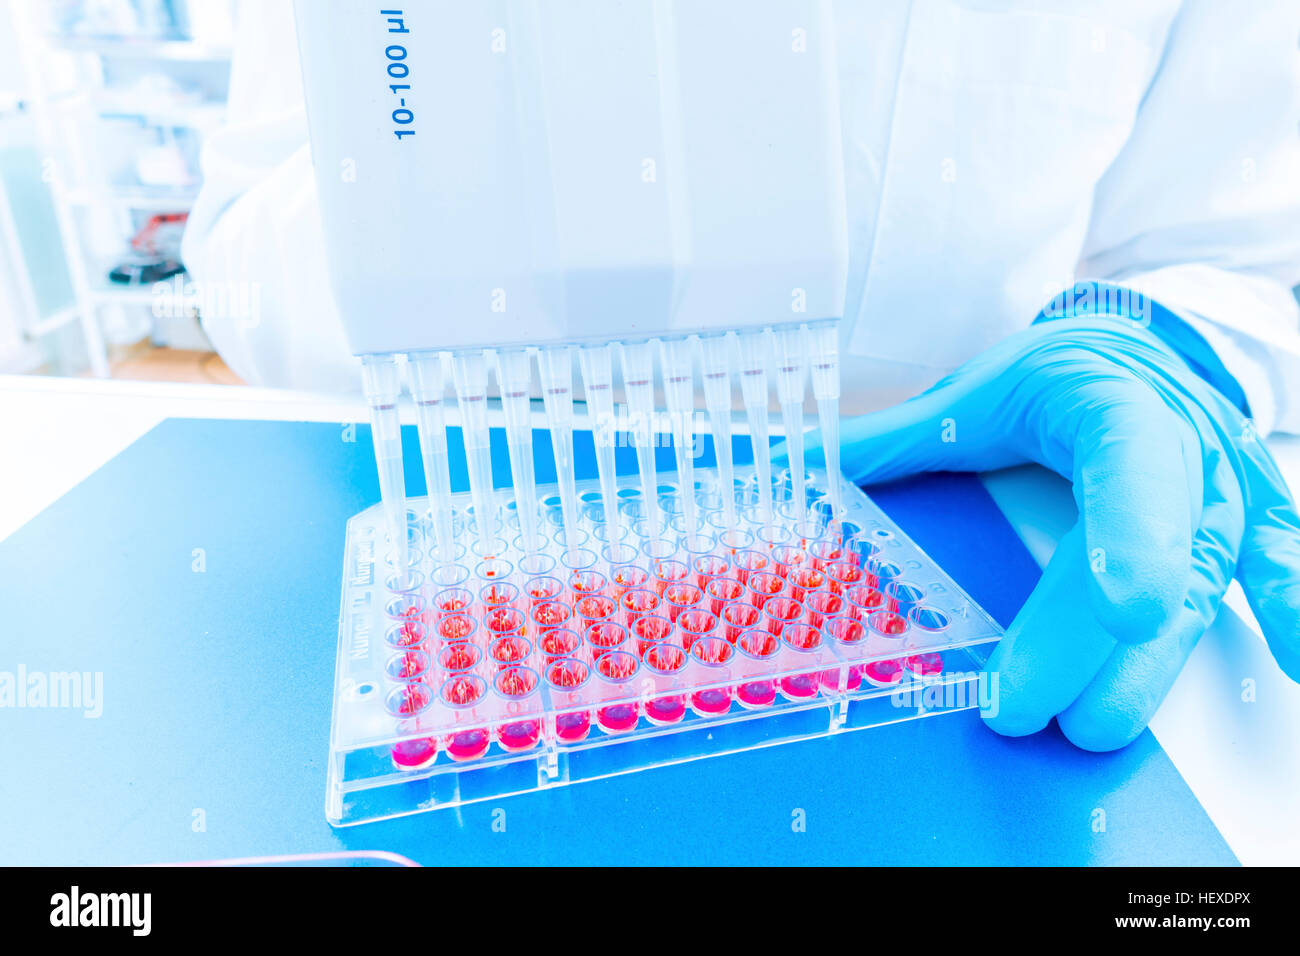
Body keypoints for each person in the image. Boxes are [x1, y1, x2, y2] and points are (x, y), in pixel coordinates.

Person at [182, 0, 1300, 750]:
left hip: (956, 525)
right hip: (448, 554)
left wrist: (1153, 341)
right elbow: (242, 241)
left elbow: (1225, 245)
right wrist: (496, 126)